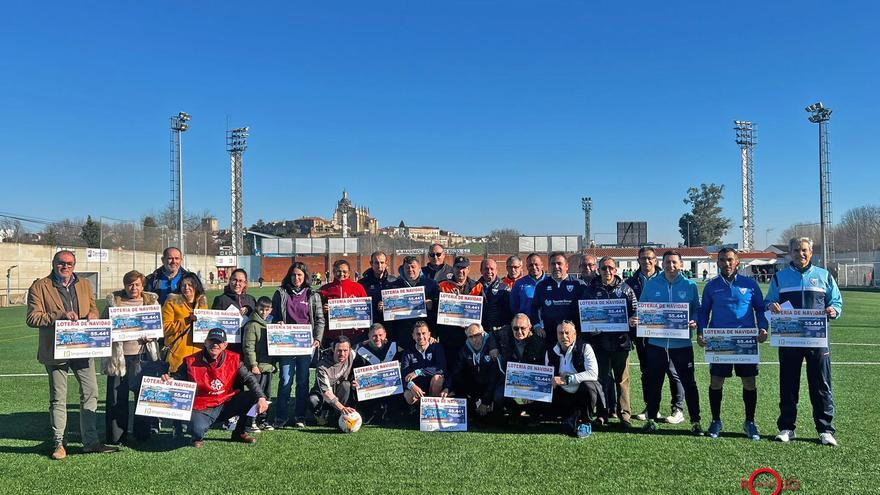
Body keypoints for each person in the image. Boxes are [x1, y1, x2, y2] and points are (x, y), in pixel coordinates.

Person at [26, 250, 119, 459]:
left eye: (69, 263)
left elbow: (93, 307)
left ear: (74, 266)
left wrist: (93, 315)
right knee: (59, 397)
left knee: (91, 392)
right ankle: (59, 443)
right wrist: (59, 315)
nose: (65, 266)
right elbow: (32, 318)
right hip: (55, 350)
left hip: (83, 347)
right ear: (54, 263)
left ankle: (91, 441)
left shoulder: (84, 284)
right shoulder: (40, 286)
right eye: (61, 263)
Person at [765, 237, 843, 446]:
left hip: (817, 341)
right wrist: (772, 306)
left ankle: (825, 429)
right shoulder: (780, 278)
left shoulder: (824, 275)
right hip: (789, 340)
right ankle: (787, 427)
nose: (801, 254)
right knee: (788, 384)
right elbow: (768, 302)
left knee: (821, 384)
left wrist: (834, 310)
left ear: (811, 252)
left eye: (805, 250)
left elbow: (836, 301)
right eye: (797, 250)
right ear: (790, 252)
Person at [696, 248, 768, 440]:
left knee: (749, 382)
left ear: (737, 261)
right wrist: (701, 331)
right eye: (722, 260)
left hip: (745, 341)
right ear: (718, 262)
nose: (726, 264)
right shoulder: (711, 286)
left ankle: (750, 422)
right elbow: (703, 312)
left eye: (730, 260)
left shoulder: (750, 285)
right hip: (720, 342)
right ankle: (716, 420)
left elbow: (760, 310)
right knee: (716, 381)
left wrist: (763, 327)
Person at [163, 328, 269, 447]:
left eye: (219, 342)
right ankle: (196, 437)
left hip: (225, 402)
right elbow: (178, 377)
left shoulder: (234, 359)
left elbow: (249, 378)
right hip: (202, 406)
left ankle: (239, 432)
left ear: (225, 345)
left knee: (253, 396)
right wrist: (170, 380)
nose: (215, 345)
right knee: (197, 429)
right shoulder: (190, 360)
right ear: (205, 342)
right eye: (211, 341)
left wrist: (261, 397)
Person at [639, 250, 703, 435]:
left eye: (675, 262)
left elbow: (697, 309)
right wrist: (638, 318)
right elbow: (643, 308)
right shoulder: (651, 284)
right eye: (667, 262)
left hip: (681, 344)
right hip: (656, 344)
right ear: (662, 263)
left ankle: (696, 421)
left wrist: (694, 320)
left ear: (681, 264)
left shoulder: (690, 285)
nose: (671, 266)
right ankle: (651, 419)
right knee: (654, 382)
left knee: (689, 383)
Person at [103, 270, 162, 444]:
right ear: (124, 285)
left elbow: (158, 329)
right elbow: (103, 324)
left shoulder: (151, 302)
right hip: (118, 358)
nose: (133, 287)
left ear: (143, 286)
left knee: (142, 396)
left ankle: (142, 433)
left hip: (143, 355)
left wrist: (152, 336)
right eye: (130, 284)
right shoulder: (114, 303)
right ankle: (116, 436)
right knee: (116, 398)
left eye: (137, 284)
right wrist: (112, 332)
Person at [626, 246, 685, 423]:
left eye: (650, 258)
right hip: (643, 335)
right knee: (647, 372)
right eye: (643, 258)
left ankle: (677, 408)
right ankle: (651, 407)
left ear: (656, 260)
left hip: (668, 335)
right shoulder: (630, 282)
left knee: (672, 371)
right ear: (638, 261)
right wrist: (631, 319)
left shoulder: (667, 278)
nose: (646, 261)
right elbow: (628, 309)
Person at [580, 257, 638, 428]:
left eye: (610, 268)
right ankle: (602, 413)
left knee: (622, 380)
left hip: (621, 342)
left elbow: (635, 312)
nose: (607, 271)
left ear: (616, 270)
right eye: (604, 268)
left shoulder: (626, 290)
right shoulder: (590, 290)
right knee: (601, 379)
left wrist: (632, 325)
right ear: (599, 270)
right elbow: (584, 313)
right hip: (599, 343)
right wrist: (589, 328)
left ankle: (625, 415)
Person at [271, 262, 324, 429]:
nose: (296, 278)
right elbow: (273, 315)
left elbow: (320, 320)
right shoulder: (280, 293)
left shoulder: (312, 295)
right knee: (285, 380)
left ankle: (300, 416)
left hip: (305, 345)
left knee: (302, 381)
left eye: (300, 275)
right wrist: (277, 322)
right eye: (294, 275)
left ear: (305, 276)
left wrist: (318, 338)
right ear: (289, 275)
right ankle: (281, 416)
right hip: (286, 344)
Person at [545, 321, 603, 438]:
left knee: (589, 385)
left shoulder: (585, 347)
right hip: (563, 394)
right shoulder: (550, 351)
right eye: (560, 333)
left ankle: (586, 421)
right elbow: (547, 376)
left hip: (581, 392)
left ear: (575, 334)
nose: (564, 336)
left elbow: (593, 373)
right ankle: (570, 417)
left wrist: (569, 379)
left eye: (567, 333)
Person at [491, 313, 546, 420]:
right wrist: (493, 347)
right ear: (511, 328)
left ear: (530, 327)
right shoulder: (505, 333)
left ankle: (534, 415)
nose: (519, 332)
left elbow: (543, 367)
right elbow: (492, 333)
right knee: (499, 395)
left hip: (532, 382)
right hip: (510, 380)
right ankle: (514, 412)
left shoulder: (539, 342)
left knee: (543, 395)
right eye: (515, 328)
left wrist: (530, 391)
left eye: (523, 328)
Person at [437, 256, 483, 370]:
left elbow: (482, 312)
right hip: (448, 336)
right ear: (453, 268)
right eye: (457, 267)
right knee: (449, 367)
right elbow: (436, 309)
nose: (460, 271)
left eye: (464, 268)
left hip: (469, 337)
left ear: (468, 269)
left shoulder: (477, 286)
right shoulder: (442, 285)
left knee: (468, 369)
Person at [530, 252, 583, 348]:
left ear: (567, 266)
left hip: (573, 336)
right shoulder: (542, 286)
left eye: (559, 263)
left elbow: (586, 308)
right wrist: (537, 326)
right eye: (553, 264)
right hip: (550, 334)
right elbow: (535, 308)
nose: (556, 266)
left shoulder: (578, 285)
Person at [387, 256, 439, 348]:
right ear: (403, 269)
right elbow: (389, 316)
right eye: (407, 267)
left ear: (419, 268)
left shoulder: (431, 284)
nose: (410, 270)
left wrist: (432, 306)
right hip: (402, 336)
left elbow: (438, 311)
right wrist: (384, 306)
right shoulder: (393, 286)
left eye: (413, 267)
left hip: (424, 336)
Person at [450, 323, 500, 420]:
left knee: (498, 397)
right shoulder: (464, 350)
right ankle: (472, 409)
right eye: (470, 337)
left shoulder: (492, 346)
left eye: (477, 335)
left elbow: (493, 378)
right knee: (459, 382)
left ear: (482, 333)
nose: (474, 340)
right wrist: (447, 387)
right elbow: (456, 371)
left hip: (492, 385)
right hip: (476, 385)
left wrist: (485, 402)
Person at [241, 296, 277, 432]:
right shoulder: (252, 325)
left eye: (267, 309)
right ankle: (250, 421)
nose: (263, 312)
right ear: (256, 308)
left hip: (268, 366)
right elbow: (248, 347)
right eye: (261, 309)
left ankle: (263, 419)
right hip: (257, 368)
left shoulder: (269, 324)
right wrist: (253, 365)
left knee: (266, 395)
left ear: (270, 310)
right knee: (256, 395)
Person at [162, 272, 208, 374]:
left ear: (196, 286)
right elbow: (164, 328)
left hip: (198, 358)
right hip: (177, 357)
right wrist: (186, 321)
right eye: (183, 285)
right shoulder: (172, 302)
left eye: (190, 285)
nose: (186, 288)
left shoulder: (202, 303)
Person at [353, 323, 399, 424]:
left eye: (380, 335)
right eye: (374, 336)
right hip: (369, 391)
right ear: (369, 336)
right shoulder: (360, 350)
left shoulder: (394, 347)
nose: (377, 338)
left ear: (385, 334)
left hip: (390, 391)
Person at [309, 336, 359, 426]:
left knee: (346, 385)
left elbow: (365, 345)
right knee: (313, 400)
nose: (342, 354)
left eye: (345, 350)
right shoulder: (322, 366)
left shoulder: (352, 354)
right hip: (324, 396)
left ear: (350, 349)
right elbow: (326, 393)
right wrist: (342, 408)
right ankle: (321, 416)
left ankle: (338, 416)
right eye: (339, 350)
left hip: (340, 391)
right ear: (333, 349)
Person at [319, 259, 369, 345]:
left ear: (349, 273)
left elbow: (366, 310)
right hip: (332, 335)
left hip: (354, 334)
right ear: (333, 272)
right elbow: (316, 313)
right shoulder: (324, 289)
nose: (342, 274)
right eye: (338, 271)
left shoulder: (358, 287)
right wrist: (323, 310)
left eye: (344, 271)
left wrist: (361, 324)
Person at [400, 321, 449, 405]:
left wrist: (418, 372)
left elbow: (441, 368)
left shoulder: (436, 347)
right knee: (408, 396)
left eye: (424, 333)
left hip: (433, 386)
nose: (421, 337)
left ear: (429, 334)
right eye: (418, 334)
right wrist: (411, 385)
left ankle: (431, 406)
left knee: (438, 378)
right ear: (413, 336)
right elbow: (404, 374)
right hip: (418, 387)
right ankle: (418, 409)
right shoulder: (407, 352)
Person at [212, 268, 256, 353]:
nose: (237, 283)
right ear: (230, 280)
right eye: (234, 280)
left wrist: (249, 309)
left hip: (247, 347)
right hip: (228, 348)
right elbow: (214, 323)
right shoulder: (220, 299)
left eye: (240, 281)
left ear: (245, 283)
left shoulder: (251, 300)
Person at [358, 250, 398, 324]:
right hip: (371, 323)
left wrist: (387, 305)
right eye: (376, 263)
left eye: (382, 263)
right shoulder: (362, 283)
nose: (379, 266)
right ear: (371, 263)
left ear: (386, 263)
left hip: (391, 324)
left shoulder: (394, 281)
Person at [478, 259, 512, 333]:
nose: (489, 271)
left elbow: (509, 313)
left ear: (496, 271)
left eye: (492, 269)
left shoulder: (505, 289)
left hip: (499, 331)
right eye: (486, 269)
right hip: (479, 332)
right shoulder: (474, 287)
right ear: (481, 270)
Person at [510, 253, 548, 317]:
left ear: (542, 265)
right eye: (531, 265)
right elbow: (514, 308)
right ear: (527, 266)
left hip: (547, 324)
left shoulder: (550, 282)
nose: (534, 267)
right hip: (527, 324)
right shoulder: (519, 284)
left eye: (536, 264)